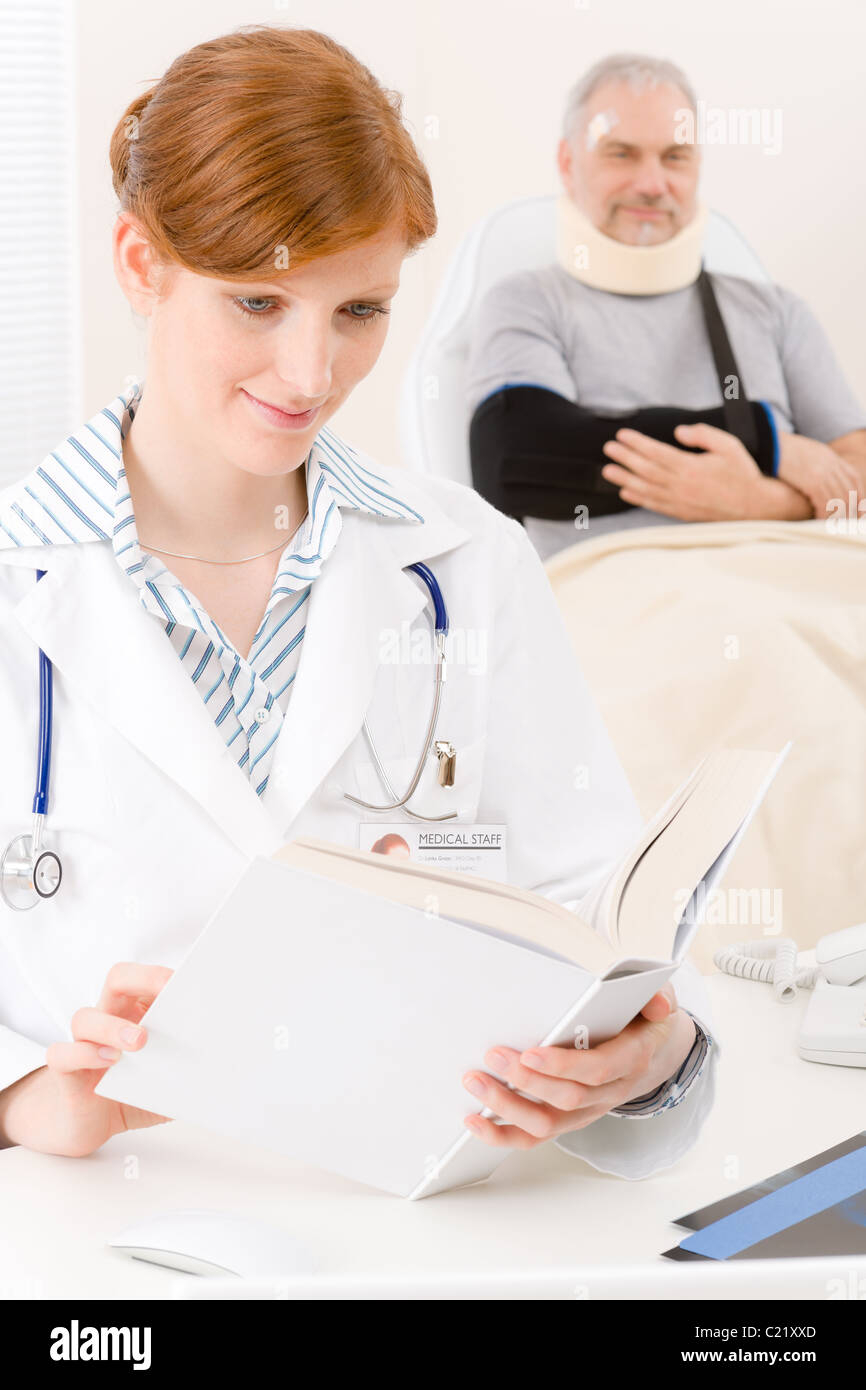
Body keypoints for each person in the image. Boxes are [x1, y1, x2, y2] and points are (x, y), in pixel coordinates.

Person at [0, 26, 714, 1181]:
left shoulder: (462, 565)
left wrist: (651, 1056)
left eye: (358, 312)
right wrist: (27, 1096)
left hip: (424, 1227)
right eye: (256, 303)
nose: (308, 373)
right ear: (142, 264)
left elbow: (599, 926)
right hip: (102, 1248)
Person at [466, 53, 866, 562]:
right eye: (622, 154)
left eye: (675, 156)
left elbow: (858, 481)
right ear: (569, 164)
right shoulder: (527, 302)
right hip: (617, 597)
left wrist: (760, 502)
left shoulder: (777, 312)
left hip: (785, 579)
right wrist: (769, 443)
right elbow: (518, 459)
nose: (652, 184)